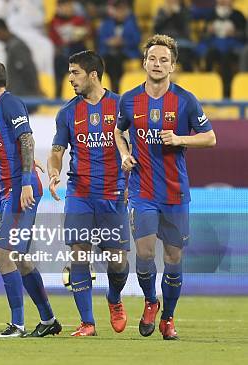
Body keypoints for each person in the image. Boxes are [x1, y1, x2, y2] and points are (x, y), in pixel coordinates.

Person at [115, 34, 216, 340]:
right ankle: (150, 301)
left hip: (175, 193)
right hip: (143, 191)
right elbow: (119, 132)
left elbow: (210, 137)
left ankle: (168, 318)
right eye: (152, 59)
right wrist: (124, 154)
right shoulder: (129, 99)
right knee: (144, 255)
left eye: (164, 60)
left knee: (173, 258)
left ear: (173, 65)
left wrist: (181, 139)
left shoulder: (185, 100)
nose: (157, 64)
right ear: (144, 62)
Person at [48, 50, 129, 337]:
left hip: (114, 193)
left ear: (93, 74)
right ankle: (87, 322)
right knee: (79, 254)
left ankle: (115, 298)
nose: (70, 78)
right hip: (79, 192)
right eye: (69, 73)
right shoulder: (67, 112)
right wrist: (54, 172)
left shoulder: (122, 106)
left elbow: (135, 150)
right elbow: (57, 152)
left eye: (75, 73)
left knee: (117, 261)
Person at [0, 60, 59, 338]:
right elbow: (19, 144)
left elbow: (27, 139)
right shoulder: (0, 108)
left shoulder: (9, 104)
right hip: (11, 190)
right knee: (20, 258)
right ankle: (48, 320)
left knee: (2, 254)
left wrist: (25, 182)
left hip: (18, 190)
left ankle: (18, 324)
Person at [0, 18, 41, 98]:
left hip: (24, 96)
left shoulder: (17, 46)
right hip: (19, 95)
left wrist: (36, 91)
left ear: (0, 30)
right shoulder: (12, 45)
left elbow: (28, 70)